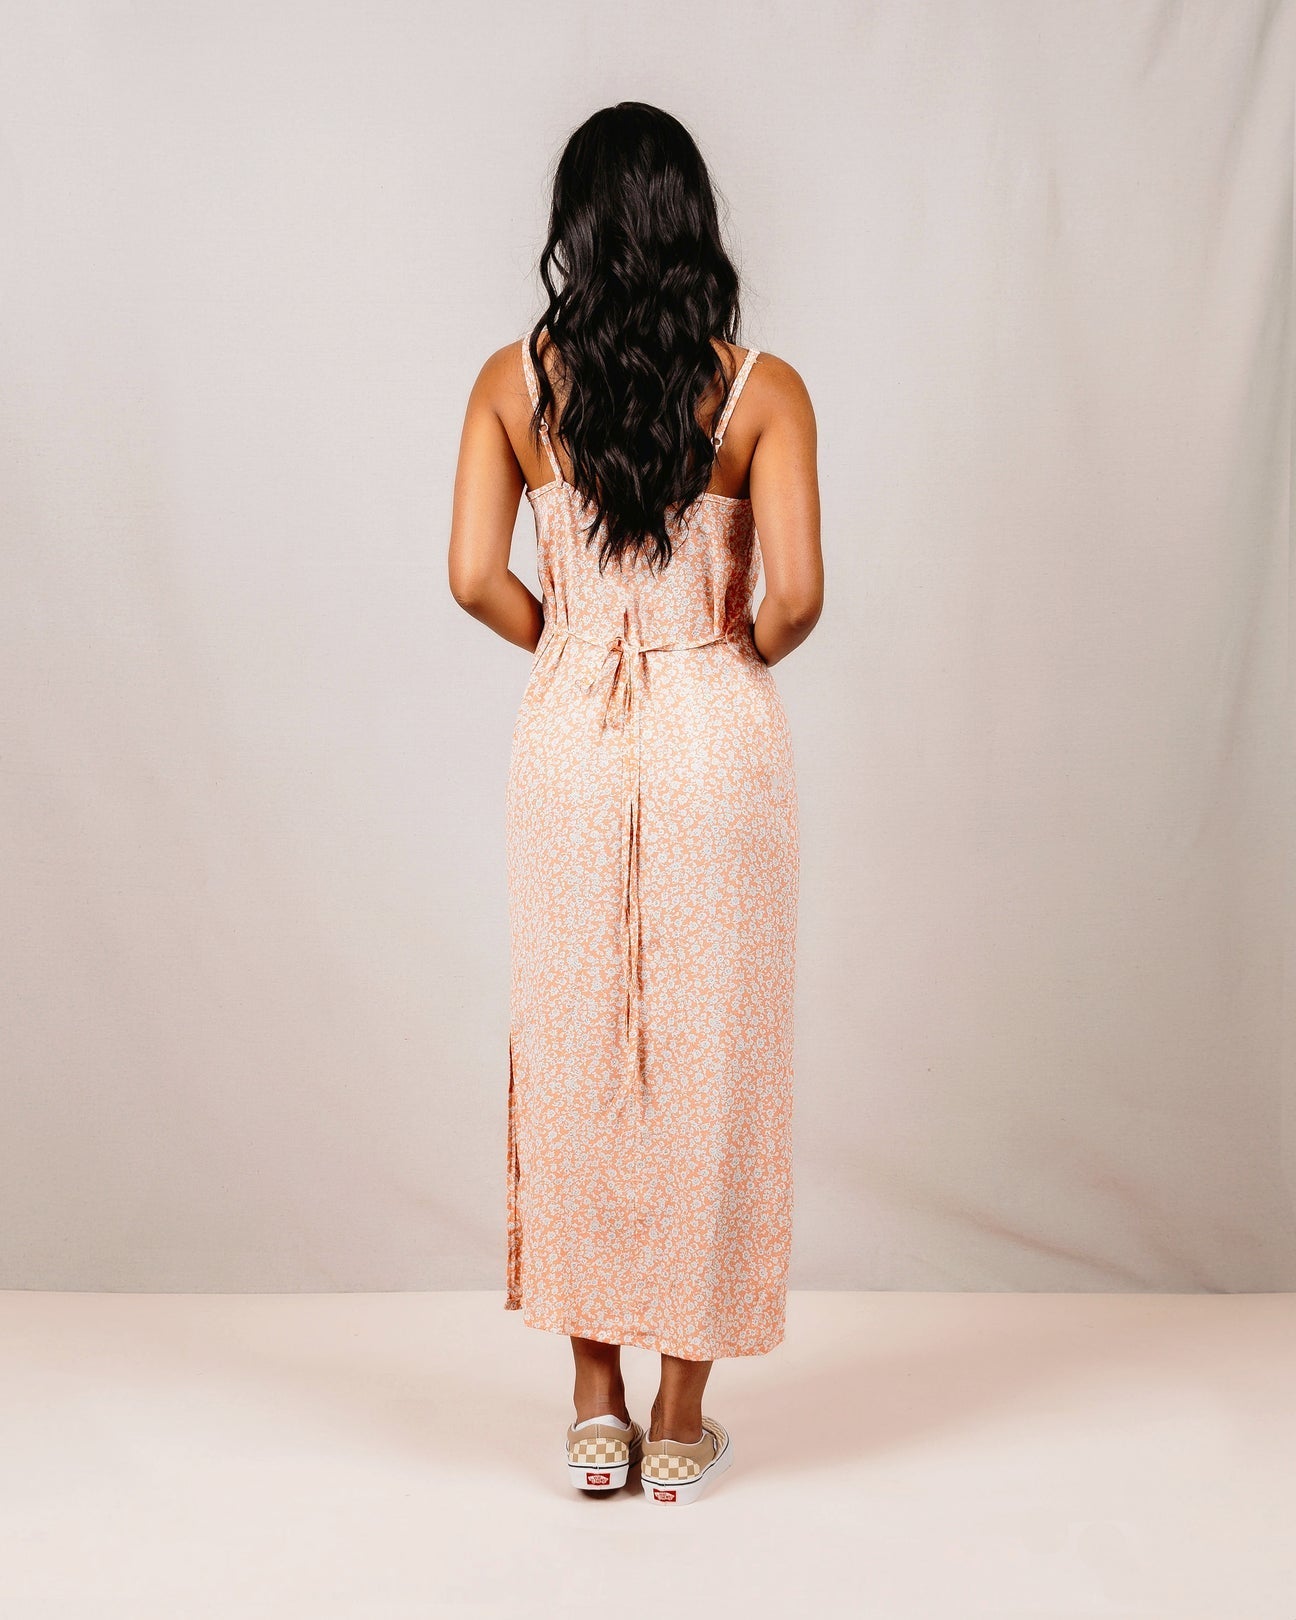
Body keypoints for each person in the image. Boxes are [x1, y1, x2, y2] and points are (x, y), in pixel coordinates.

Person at [448, 102, 822, 1505]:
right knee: (715, 1054)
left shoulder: (511, 381)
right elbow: (800, 597)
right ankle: (679, 1421)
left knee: (577, 1049)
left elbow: (472, 577)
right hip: (717, 728)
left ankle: (592, 1409)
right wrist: (714, 653)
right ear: (692, 225)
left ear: (576, 228)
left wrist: (576, 643)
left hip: (569, 734)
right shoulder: (763, 391)